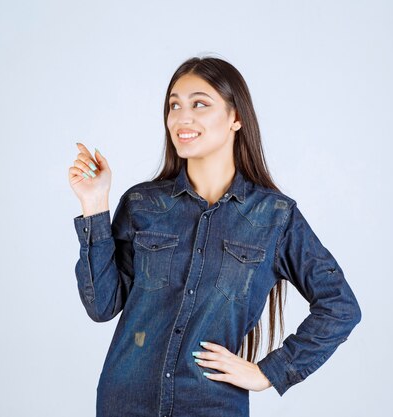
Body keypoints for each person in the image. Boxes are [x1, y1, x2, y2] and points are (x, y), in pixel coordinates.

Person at [67, 55, 362, 417]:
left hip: (211, 406)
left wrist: (269, 373)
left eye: (199, 104)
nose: (181, 117)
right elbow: (102, 306)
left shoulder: (274, 217)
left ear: (236, 117)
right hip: (126, 401)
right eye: (174, 105)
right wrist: (94, 203)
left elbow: (340, 306)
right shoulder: (143, 203)